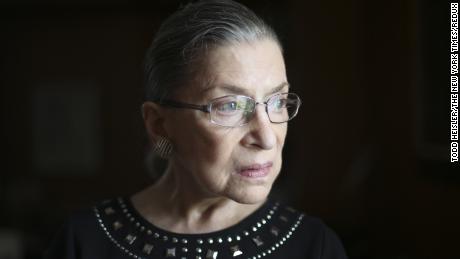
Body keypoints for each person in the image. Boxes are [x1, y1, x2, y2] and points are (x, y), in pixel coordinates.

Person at [44, 0, 348, 258]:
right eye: (230, 105)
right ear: (159, 124)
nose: (267, 137)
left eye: (277, 101)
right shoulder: (83, 243)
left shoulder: (314, 246)